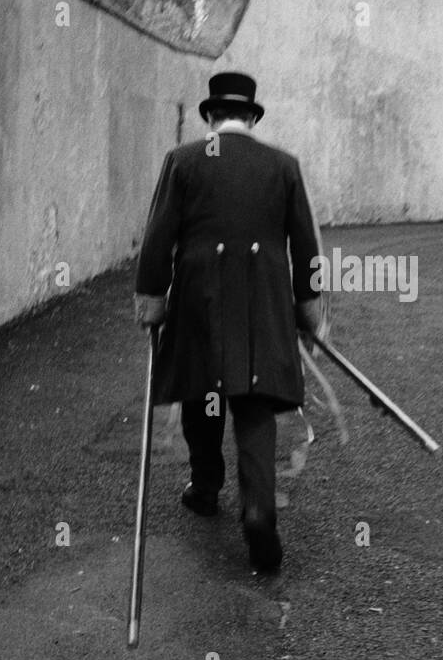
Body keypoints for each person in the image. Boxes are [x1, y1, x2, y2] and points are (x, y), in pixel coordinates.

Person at [133, 72, 324, 573]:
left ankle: (205, 487)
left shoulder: (183, 161)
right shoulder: (283, 166)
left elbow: (158, 238)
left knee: (204, 393)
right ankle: (258, 507)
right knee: (255, 408)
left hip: (200, 302)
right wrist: (309, 310)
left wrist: (152, 300)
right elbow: (306, 247)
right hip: (263, 306)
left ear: (211, 118)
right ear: (252, 118)